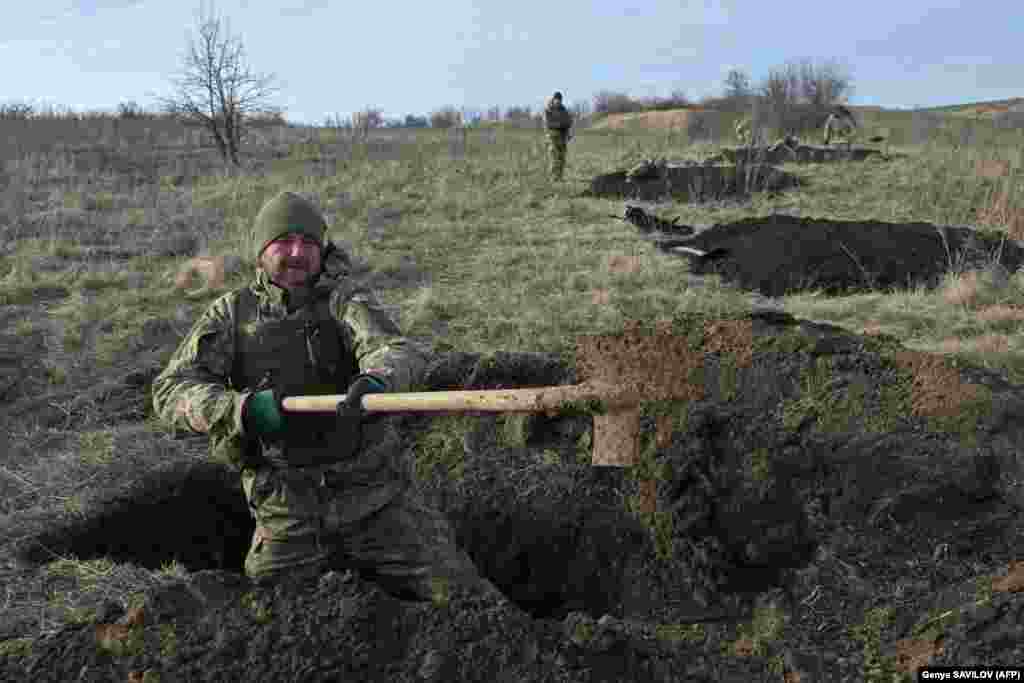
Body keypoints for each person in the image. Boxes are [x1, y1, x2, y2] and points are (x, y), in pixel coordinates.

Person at [152, 191, 500, 604]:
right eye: (284, 241)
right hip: (287, 514)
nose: (297, 252)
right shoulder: (231, 316)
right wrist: (240, 410)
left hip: (376, 501)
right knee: (260, 622)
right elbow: (169, 392)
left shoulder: (346, 300)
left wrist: (378, 382)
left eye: (309, 243)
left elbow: (397, 351)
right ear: (261, 250)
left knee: (466, 601)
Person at [543, 91, 574, 181]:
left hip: (562, 136)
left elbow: (568, 122)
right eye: (557, 100)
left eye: (560, 100)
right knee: (554, 157)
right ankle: (553, 177)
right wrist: (560, 124)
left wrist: (568, 132)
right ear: (554, 99)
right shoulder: (548, 109)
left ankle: (560, 177)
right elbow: (548, 123)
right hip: (552, 136)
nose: (558, 102)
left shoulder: (563, 110)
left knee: (562, 157)